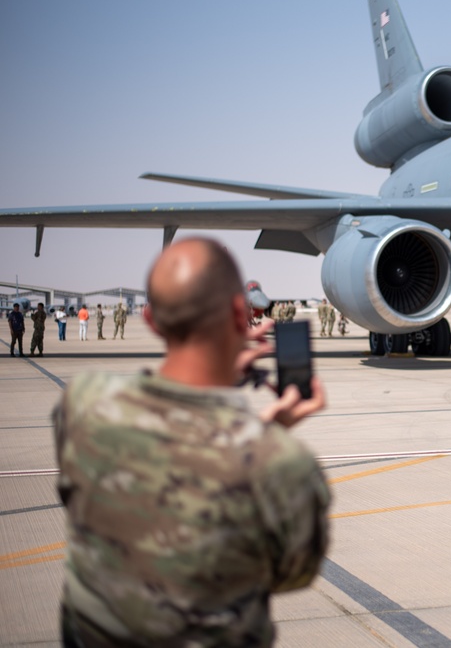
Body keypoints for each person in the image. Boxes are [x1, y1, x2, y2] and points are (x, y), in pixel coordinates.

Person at [54, 237, 331, 646]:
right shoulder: (279, 463)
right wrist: (266, 436)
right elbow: (295, 574)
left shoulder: (83, 403)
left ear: (150, 321)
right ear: (242, 315)